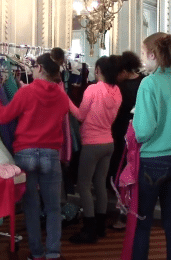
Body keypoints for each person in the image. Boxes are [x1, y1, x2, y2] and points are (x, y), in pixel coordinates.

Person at [0, 48, 69, 260]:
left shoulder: (26, 93)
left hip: (25, 153)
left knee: (31, 206)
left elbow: (3, 116)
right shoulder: (62, 97)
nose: (32, 70)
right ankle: (53, 253)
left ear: (40, 68)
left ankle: (36, 253)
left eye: (33, 66)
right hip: (51, 154)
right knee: (52, 208)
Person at [68, 55, 122, 244]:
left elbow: (81, 115)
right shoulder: (117, 91)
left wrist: (66, 101)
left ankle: (89, 229)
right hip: (108, 142)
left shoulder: (93, 89)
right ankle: (100, 226)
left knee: (83, 185)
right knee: (100, 184)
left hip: (92, 143)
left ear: (98, 69)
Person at [132, 32, 171, 259]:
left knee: (142, 222)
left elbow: (144, 131)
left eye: (143, 53)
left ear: (153, 55)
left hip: (153, 161)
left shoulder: (150, 83)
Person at [108, 51, 144, 229]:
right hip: (140, 135)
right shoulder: (144, 81)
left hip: (123, 134)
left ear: (123, 70)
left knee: (123, 173)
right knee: (133, 173)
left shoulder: (120, 88)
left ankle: (123, 215)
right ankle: (131, 212)